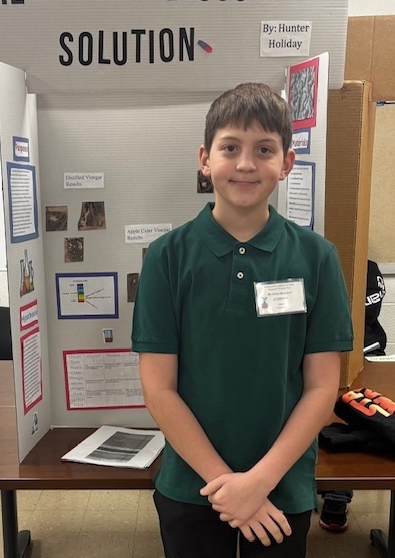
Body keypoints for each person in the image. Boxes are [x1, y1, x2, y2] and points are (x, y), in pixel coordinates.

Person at [131, 83, 353, 558]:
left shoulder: (317, 258)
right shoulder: (166, 259)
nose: (247, 163)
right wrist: (228, 484)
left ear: (286, 163)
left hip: (282, 483)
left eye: (264, 149)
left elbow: (321, 388)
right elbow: (158, 389)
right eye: (230, 147)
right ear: (205, 159)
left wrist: (259, 483)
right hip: (193, 483)